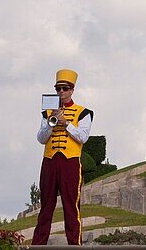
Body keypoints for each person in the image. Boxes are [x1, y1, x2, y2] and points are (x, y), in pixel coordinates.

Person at [32, 69, 92, 246]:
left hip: (70, 162)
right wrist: (50, 123)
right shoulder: (47, 113)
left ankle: (75, 244)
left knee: (71, 206)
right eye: (58, 89)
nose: (61, 92)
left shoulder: (83, 112)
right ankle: (38, 244)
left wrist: (67, 124)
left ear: (72, 90)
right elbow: (41, 139)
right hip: (49, 161)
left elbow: (83, 137)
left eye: (65, 88)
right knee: (45, 206)